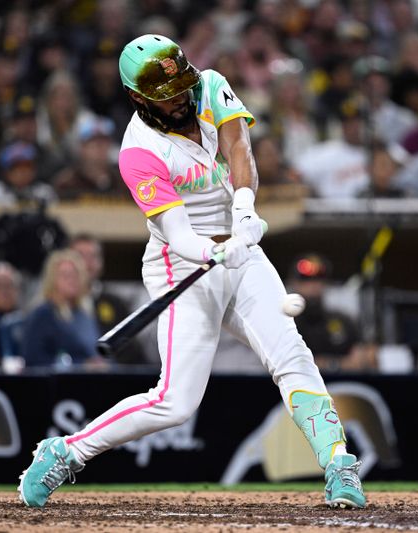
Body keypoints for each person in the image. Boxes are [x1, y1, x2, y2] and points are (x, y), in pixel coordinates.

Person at [18, 34, 366, 510]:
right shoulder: (138, 151)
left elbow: (239, 149)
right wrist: (210, 251)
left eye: (183, 86)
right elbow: (178, 234)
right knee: (175, 402)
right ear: (138, 98)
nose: (181, 99)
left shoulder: (209, 86)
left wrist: (243, 210)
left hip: (240, 247)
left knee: (292, 355)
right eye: (168, 95)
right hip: (180, 263)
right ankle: (66, 451)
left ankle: (340, 466)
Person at [288, 253, 377, 373]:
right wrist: (337, 364)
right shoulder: (286, 322)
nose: (314, 286)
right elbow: (290, 363)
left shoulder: (342, 320)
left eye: (319, 279)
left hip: (342, 387)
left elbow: (365, 357)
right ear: (294, 283)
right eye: (306, 281)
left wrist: (364, 357)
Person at [20, 249, 106, 369]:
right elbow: (34, 360)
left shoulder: (85, 314)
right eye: (65, 275)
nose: (72, 280)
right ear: (52, 279)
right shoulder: (43, 314)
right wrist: (81, 366)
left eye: (76, 274)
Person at [69, 234, 147, 365]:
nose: (88, 263)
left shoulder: (115, 303)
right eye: (80, 255)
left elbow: (131, 349)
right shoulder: (57, 304)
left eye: (93, 256)